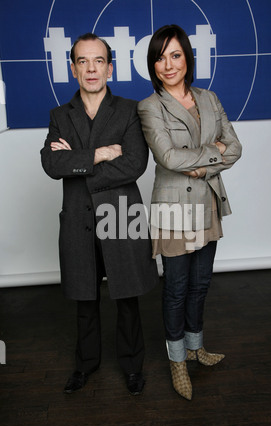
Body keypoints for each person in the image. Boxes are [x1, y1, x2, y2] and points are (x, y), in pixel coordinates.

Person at [41, 33, 158, 396]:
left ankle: (133, 366)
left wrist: (76, 162)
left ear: (110, 67)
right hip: (79, 220)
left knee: (127, 298)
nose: (91, 68)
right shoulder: (60, 115)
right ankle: (85, 365)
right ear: (73, 69)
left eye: (98, 61)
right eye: (82, 61)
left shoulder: (129, 109)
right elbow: (50, 162)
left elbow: (135, 164)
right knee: (85, 299)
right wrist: (98, 154)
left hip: (121, 216)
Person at [137, 25, 242, 400]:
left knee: (201, 284)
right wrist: (211, 155)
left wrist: (199, 164)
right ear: (152, 64)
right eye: (160, 57)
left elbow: (235, 147)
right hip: (174, 209)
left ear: (187, 58)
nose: (168, 64)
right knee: (177, 288)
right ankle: (178, 361)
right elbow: (167, 157)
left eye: (175, 55)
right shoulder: (150, 106)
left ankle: (197, 347)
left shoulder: (209, 98)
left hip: (207, 202)